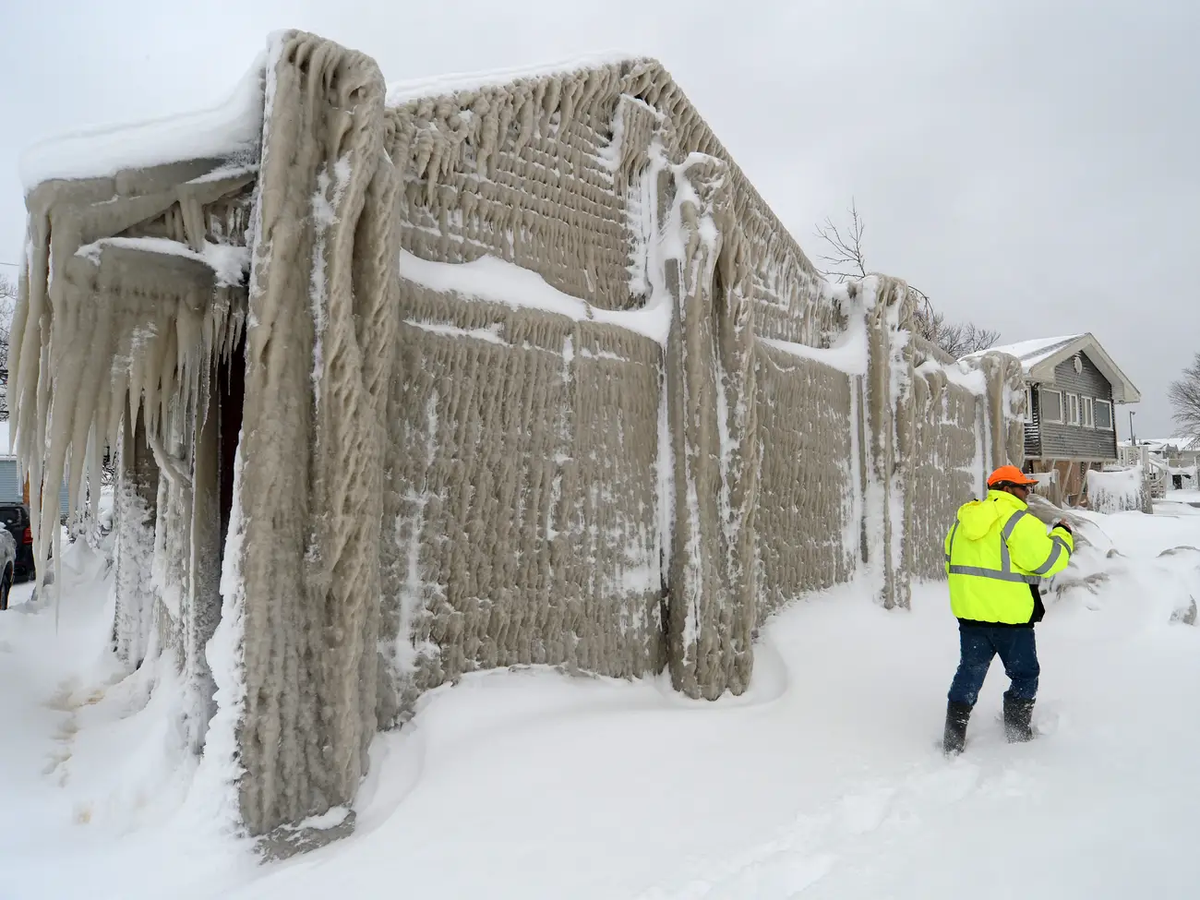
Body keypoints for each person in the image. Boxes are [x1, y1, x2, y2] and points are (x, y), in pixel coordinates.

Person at [942, 465, 1074, 755]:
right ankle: (1017, 736)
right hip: (1011, 620)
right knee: (1024, 674)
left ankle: (952, 742)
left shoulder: (962, 522)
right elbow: (1047, 562)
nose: (1028, 492)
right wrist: (1063, 535)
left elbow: (950, 562)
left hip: (971, 616)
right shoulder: (1018, 521)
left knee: (969, 673)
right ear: (1006, 488)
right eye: (1024, 487)